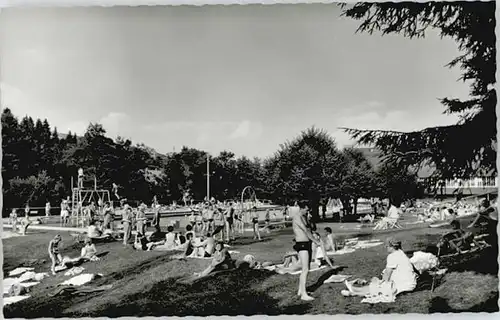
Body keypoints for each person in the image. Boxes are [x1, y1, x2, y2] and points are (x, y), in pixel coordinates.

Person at [342, 237, 417, 298]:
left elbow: (387, 275)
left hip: (403, 285)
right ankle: (353, 292)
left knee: (378, 286)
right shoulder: (401, 253)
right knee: (378, 284)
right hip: (410, 283)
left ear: (392, 247)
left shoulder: (392, 256)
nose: (386, 247)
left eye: (387, 246)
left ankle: (354, 290)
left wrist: (379, 281)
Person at [292, 201, 321, 301]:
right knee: (305, 270)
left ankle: (301, 290)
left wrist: (310, 219)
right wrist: (316, 241)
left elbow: (311, 229)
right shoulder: (297, 217)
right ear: (302, 208)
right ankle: (304, 294)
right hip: (302, 244)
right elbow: (305, 230)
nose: (308, 211)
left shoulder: (305, 217)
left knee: (307, 268)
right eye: (307, 209)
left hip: (307, 243)